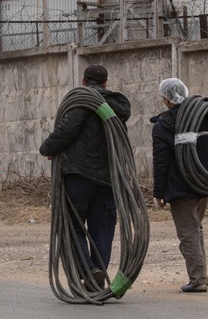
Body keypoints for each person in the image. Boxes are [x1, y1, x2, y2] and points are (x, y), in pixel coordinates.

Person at [39, 64, 131, 286]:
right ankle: (97, 272)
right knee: (103, 229)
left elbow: (67, 130)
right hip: (109, 179)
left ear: (83, 81)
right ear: (106, 83)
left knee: (71, 226)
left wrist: (48, 149)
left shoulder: (81, 102)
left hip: (80, 175)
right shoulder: (118, 107)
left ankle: (89, 270)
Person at [151, 77, 208, 293]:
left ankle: (198, 280)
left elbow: (161, 162)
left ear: (167, 100)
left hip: (182, 187)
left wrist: (158, 192)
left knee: (188, 232)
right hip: (204, 182)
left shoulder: (164, 125)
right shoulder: (204, 117)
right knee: (196, 228)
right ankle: (200, 276)